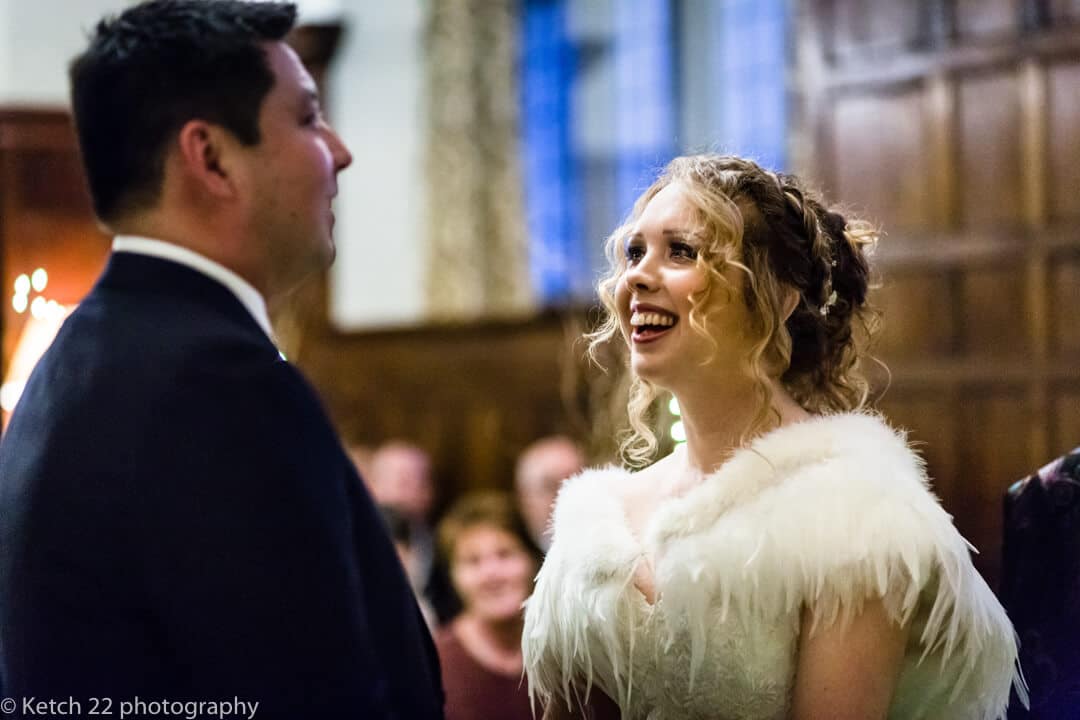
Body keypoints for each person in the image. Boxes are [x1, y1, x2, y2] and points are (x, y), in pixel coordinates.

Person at [0, 2, 443, 716]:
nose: (339, 149)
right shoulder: (216, 387)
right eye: (306, 118)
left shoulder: (75, 358)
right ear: (210, 156)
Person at [522, 155, 1025, 719]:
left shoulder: (853, 515)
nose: (636, 276)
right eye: (635, 252)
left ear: (778, 298)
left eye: (682, 251)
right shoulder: (601, 522)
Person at [433, 492, 542, 720]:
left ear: (532, 560)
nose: (491, 574)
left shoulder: (574, 656)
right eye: (473, 561)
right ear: (452, 577)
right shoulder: (435, 664)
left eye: (505, 554)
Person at [514, 436, 584, 552]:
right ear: (524, 498)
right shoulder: (508, 555)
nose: (566, 494)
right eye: (551, 486)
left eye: (576, 481)